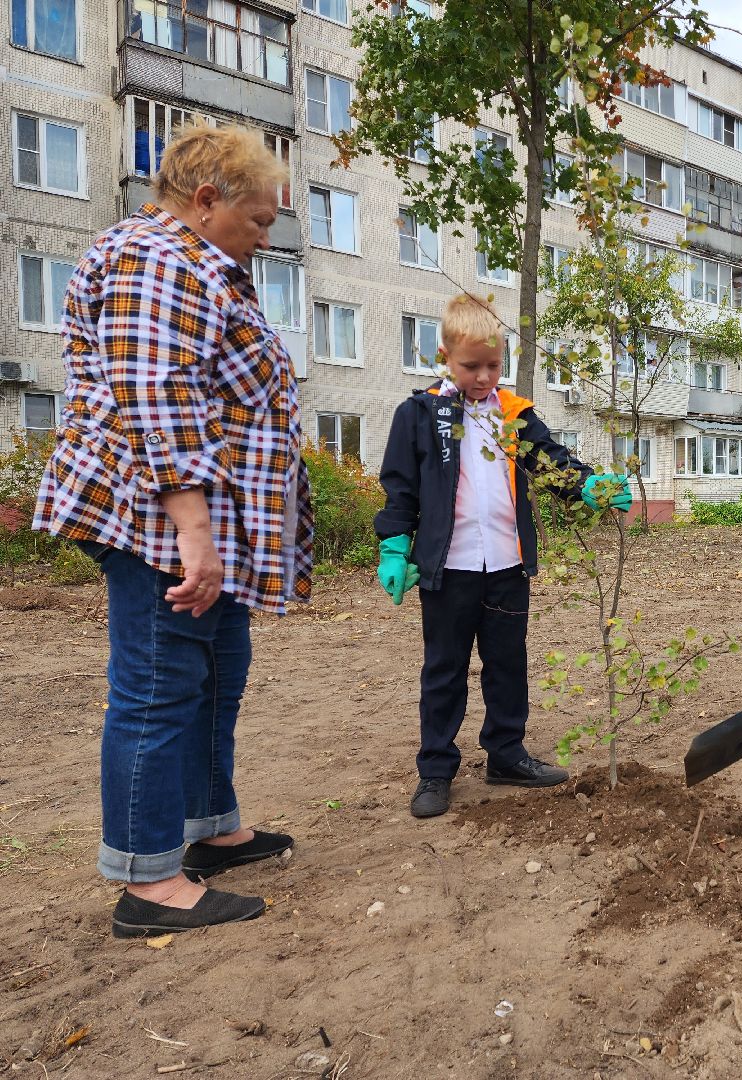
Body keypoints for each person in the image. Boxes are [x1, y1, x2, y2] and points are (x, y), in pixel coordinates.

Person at [31, 127, 311, 937]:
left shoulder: (197, 262)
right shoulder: (156, 259)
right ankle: (146, 880)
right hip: (156, 516)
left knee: (218, 666)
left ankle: (206, 827)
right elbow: (159, 395)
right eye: (259, 221)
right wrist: (193, 528)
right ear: (207, 199)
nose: (266, 236)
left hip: (194, 514)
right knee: (158, 684)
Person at [374, 294, 633, 819]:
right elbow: (400, 487)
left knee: (507, 664)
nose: (484, 377)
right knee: (444, 669)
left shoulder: (513, 415)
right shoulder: (421, 413)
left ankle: (506, 754)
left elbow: (551, 463)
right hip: (448, 569)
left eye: (494, 365)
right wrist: (395, 546)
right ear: (444, 355)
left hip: (507, 566)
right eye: (471, 366)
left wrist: (591, 487)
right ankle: (435, 769)